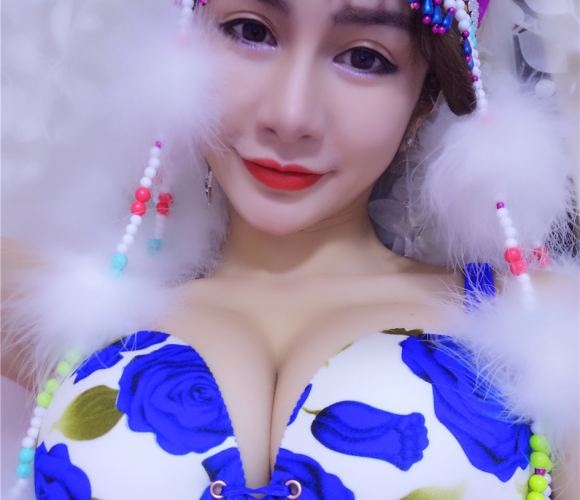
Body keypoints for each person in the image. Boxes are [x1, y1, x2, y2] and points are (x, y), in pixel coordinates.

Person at [1, 0, 578, 499]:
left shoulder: (542, 327)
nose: (290, 115)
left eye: (365, 58)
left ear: (424, 99)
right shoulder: (68, 311)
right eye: (251, 31)